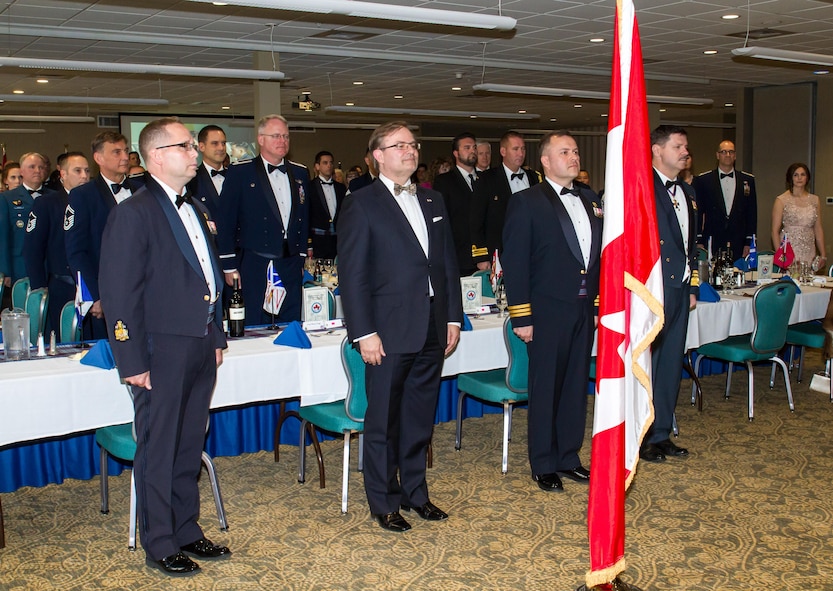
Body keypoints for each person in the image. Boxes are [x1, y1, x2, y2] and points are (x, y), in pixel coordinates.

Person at [99, 117, 230, 576]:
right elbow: (118, 293)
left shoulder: (192, 206)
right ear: (156, 156)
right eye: (185, 147)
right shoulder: (133, 212)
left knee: (189, 441)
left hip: (199, 345)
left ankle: (186, 528)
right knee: (158, 446)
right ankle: (159, 541)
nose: (196, 154)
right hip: (158, 351)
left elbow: (207, 278)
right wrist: (131, 359)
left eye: (194, 147)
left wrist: (215, 336)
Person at [338, 121, 463, 533]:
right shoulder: (362, 203)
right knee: (384, 419)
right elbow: (352, 274)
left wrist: (451, 317)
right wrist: (364, 332)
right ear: (377, 155)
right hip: (387, 331)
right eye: (399, 146)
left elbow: (446, 265)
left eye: (412, 145)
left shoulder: (434, 200)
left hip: (431, 325)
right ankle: (383, 500)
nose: (409, 151)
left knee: (418, 417)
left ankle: (415, 493)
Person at [502, 131, 601, 492]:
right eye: (564, 152)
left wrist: (595, 304)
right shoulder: (526, 201)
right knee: (545, 388)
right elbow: (515, 262)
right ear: (545, 161)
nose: (573, 157)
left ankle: (568, 456)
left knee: (575, 385)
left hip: (581, 308)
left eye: (575, 151)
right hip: (545, 311)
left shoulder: (591, 199)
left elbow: (597, 259)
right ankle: (543, 461)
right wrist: (522, 316)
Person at [217, 114, 310, 325]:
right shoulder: (241, 172)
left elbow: (303, 217)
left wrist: (302, 255)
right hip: (255, 262)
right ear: (261, 139)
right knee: (255, 322)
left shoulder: (300, 172)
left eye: (286, 136)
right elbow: (226, 221)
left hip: (290, 261)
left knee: (290, 319)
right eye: (276, 136)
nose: (282, 141)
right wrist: (229, 265)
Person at [642, 125, 699, 463]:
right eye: (677, 146)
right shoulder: (641, 188)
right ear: (657, 150)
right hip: (651, 290)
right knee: (647, 366)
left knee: (669, 365)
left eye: (686, 146)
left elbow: (691, 247)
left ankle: (662, 432)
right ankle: (643, 434)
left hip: (679, 289)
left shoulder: (688, 193)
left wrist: (691, 287)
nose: (684, 151)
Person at [65, 131, 145, 340]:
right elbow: (77, 251)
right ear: (98, 158)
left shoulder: (143, 191)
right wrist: (94, 295)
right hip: (108, 291)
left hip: (146, 289)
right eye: (116, 152)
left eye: (126, 151)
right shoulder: (83, 195)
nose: (125, 157)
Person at [24, 152, 90, 336]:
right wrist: (39, 288)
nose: (84, 176)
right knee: (65, 340)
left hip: (91, 284)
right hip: (62, 285)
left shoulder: (95, 200)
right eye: (78, 171)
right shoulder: (46, 203)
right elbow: (33, 249)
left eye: (87, 170)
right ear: (63, 174)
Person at [470, 131, 540, 270]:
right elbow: (476, 221)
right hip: (500, 252)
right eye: (515, 149)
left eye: (523, 149)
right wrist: (481, 256)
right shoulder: (487, 179)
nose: (520, 153)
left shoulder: (534, 177)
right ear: (503, 151)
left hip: (533, 251)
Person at [692, 140, 757, 258]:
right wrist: (699, 239)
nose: (728, 155)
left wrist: (749, 241)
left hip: (739, 240)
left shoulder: (747, 180)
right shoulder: (703, 180)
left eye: (731, 152)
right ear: (717, 155)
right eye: (724, 152)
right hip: (712, 238)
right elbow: (698, 212)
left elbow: (751, 213)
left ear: (735, 155)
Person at [0, 152, 55, 288]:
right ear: (22, 171)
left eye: (41, 167)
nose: (37, 171)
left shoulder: (55, 197)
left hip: (50, 265)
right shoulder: (7, 198)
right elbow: (3, 237)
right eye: (32, 167)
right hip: (20, 264)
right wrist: (5, 271)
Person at [432, 132, 479, 275]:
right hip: (459, 254)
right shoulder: (445, 181)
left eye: (474, 147)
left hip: (483, 254)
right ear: (456, 153)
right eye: (467, 147)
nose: (472, 151)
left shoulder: (486, 180)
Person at [771, 162, 826, 266]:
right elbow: (774, 231)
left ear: (807, 178)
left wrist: (823, 254)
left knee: (808, 280)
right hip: (789, 249)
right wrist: (780, 255)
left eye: (803, 174)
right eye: (795, 175)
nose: (799, 178)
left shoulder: (815, 200)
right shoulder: (781, 200)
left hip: (809, 248)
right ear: (790, 178)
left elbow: (818, 228)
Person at [308, 150, 346, 259]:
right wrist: (309, 244)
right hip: (318, 240)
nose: (329, 165)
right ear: (317, 166)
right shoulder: (310, 187)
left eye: (331, 162)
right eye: (325, 163)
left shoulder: (341, 188)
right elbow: (306, 217)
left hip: (337, 240)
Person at [187, 124, 228, 218]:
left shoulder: (237, 176)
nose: (221, 148)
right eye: (215, 143)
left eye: (223, 143)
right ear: (201, 147)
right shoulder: (192, 179)